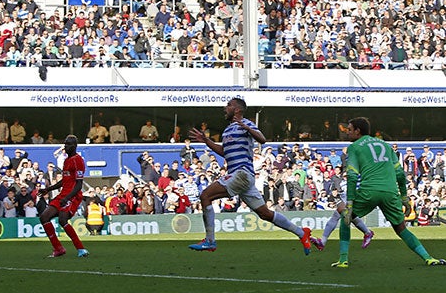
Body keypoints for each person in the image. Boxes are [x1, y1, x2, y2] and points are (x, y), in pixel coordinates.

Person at [187, 98, 312, 254]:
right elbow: (224, 152)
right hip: (241, 176)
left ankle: (210, 241)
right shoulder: (228, 130)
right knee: (265, 214)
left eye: (229, 105)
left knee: (205, 196)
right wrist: (206, 141)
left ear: (237, 110)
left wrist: (247, 127)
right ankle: (302, 233)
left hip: (241, 173)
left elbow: (262, 139)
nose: (225, 108)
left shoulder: (245, 123)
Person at [333, 117, 445, 268]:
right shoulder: (385, 145)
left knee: (345, 215)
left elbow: (352, 176)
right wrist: (404, 197)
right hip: (391, 191)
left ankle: (343, 259)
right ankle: (428, 258)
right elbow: (399, 173)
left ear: (358, 131)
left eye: (350, 129)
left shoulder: (354, 147)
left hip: (369, 191)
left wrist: (351, 202)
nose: (347, 133)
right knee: (401, 228)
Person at [38, 135, 89, 258]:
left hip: (73, 195)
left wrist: (68, 198)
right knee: (44, 217)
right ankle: (58, 249)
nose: (65, 147)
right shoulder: (66, 161)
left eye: (68, 144)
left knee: (62, 219)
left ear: (74, 146)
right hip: (63, 194)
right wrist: (48, 189)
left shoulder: (78, 161)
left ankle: (81, 248)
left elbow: (78, 184)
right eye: (65, 144)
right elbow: (64, 181)